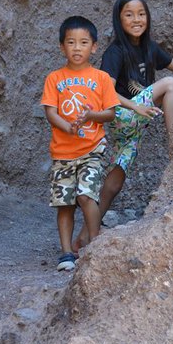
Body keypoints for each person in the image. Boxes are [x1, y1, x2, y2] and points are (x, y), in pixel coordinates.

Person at [74, 0, 173, 250]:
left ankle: (84, 236)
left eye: (141, 13)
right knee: (170, 84)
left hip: (134, 124)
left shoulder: (149, 48)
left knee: (117, 177)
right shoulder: (115, 52)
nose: (136, 19)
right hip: (122, 113)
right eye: (129, 14)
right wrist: (135, 105)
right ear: (119, 19)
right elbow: (106, 93)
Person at [41, 15, 120, 271]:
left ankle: (94, 245)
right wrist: (69, 127)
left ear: (94, 47)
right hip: (62, 153)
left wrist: (90, 116)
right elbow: (51, 111)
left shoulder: (102, 78)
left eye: (83, 42)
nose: (77, 48)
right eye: (71, 42)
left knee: (87, 197)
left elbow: (110, 112)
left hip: (92, 150)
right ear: (62, 47)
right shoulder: (55, 78)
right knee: (64, 204)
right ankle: (66, 253)